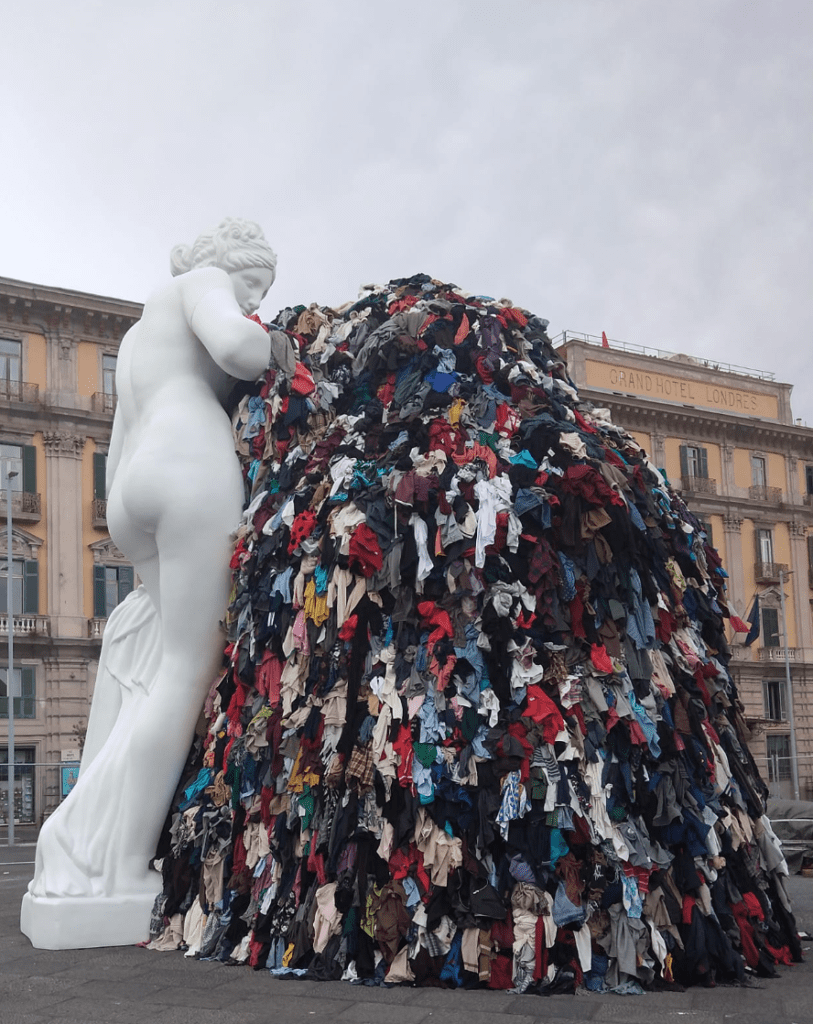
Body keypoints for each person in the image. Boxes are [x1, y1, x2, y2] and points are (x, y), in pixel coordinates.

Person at [21, 219, 276, 948]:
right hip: (191, 467)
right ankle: (117, 861)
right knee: (185, 671)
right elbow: (240, 346)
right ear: (233, 266)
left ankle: (89, 850)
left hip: (132, 487)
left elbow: (121, 441)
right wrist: (277, 343)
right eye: (255, 284)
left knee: (145, 667)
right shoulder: (204, 285)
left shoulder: (135, 337)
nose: (254, 298)